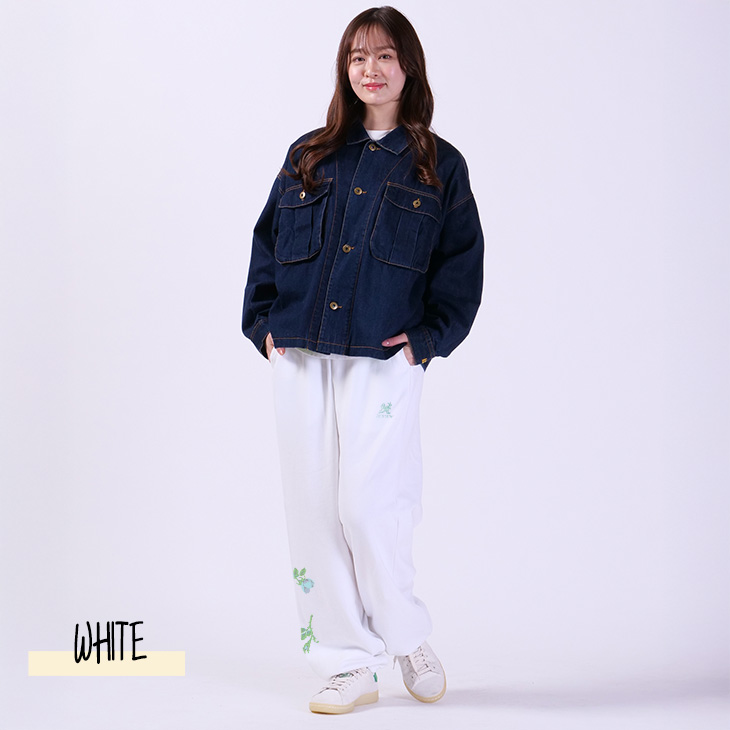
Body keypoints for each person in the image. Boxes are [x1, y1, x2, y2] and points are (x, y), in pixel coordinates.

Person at [242, 5, 483, 715]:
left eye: (383, 56)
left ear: (408, 67)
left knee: (370, 507)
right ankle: (347, 663)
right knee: (314, 510)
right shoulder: (309, 154)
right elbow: (266, 243)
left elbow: (461, 267)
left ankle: (404, 632)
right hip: (300, 355)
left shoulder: (439, 166)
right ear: (344, 70)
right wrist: (263, 326)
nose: (369, 69)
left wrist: (427, 342)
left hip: (382, 358)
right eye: (356, 57)